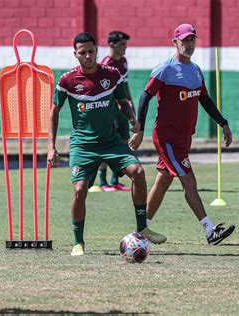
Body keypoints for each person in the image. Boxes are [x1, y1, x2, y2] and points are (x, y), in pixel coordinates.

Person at [47, 32, 167, 256]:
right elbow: (54, 111)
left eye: (91, 51)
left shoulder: (112, 75)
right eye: (82, 53)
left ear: (96, 51)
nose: (88, 56)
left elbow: (123, 101)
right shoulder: (67, 80)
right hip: (83, 145)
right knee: (80, 190)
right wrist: (51, 147)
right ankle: (78, 242)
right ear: (75, 54)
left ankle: (142, 228)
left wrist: (132, 120)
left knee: (138, 172)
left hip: (111, 142)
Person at [130, 23, 235, 245]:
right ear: (175, 42)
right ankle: (209, 231)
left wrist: (223, 123)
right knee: (189, 180)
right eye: (184, 40)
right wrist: (139, 128)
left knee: (163, 181)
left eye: (192, 40)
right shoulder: (165, 69)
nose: (189, 44)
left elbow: (204, 99)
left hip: (183, 137)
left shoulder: (196, 70)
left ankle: (141, 230)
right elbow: (144, 97)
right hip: (167, 138)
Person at [89, 31, 134, 193]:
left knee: (123, 143)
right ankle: (102, 181)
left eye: (126, 44)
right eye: (122, 44)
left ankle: (115, 180)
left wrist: (131, 107)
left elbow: (125, 87)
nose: (125, 47)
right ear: (111, 45)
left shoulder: (123, 62)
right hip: (109, 111)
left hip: (122, 111)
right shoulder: (105, 64)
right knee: (107, 145)